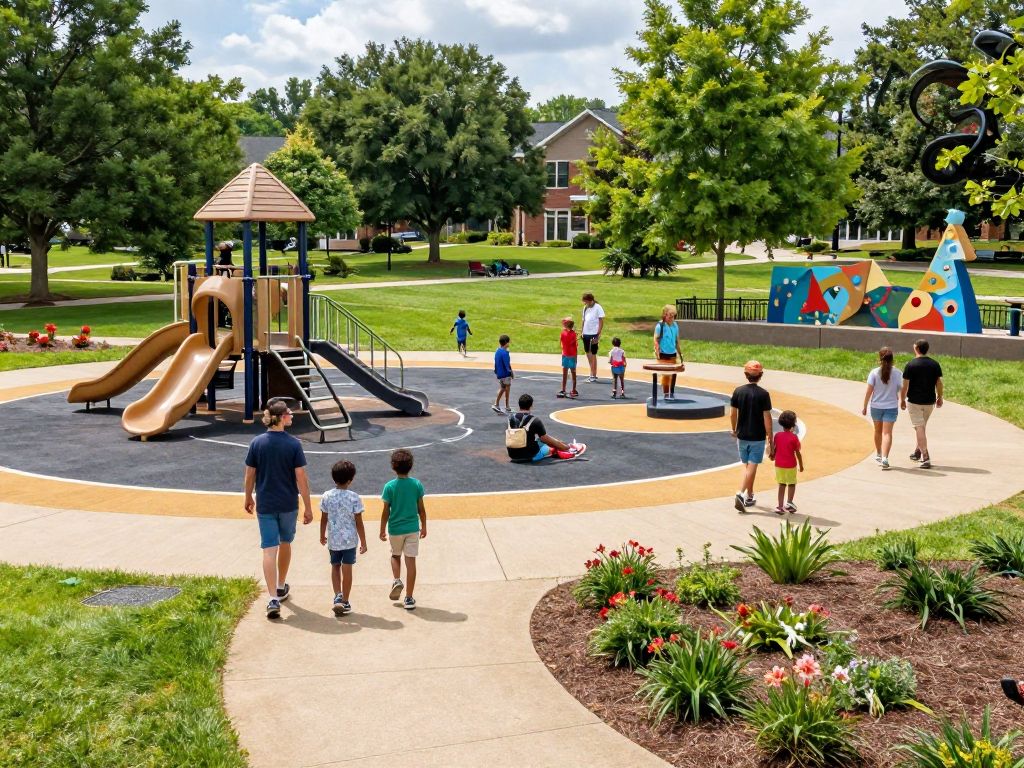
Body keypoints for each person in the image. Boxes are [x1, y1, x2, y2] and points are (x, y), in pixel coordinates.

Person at [244, 398, 313, 620]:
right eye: (290, 414)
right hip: (288, 504)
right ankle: (281, 585)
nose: (292, 416)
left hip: (266, 503)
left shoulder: (257, 443)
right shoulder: (293, 444)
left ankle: (272, 597)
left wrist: (248, 496)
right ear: (282, 417)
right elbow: (301, 477)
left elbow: (250, 474)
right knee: (285, 542)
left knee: (268, 549)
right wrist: (308, 506)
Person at [379, 449, 427, 610]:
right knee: (411, 561)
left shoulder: (389, 487)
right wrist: (424, 526)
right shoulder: (416, 484)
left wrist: (381, 529)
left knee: (395, 555)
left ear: (393, 466)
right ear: (411, 466)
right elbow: (421, 509)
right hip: (413, 528)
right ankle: (409, 597)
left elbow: (386, 511)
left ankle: (397, 579)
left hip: (395, 529)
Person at [319, 460, 367, 617]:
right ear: (350, 480)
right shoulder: (354, 497)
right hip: (349, 541)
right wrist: (363, 541)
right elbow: (358, 521)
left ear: (334, 478)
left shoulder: (327, 496)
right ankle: (345, 600)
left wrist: (322, 535)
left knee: (335, 567)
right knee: (347, 570)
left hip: (333, 540)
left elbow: (323, 518)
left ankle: (337, 595)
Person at [730, 361, 774, 513]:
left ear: (745, 375)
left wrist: (734, 430)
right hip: (757, 436)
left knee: (748, 466)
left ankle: (750, 496)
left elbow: (732, 413)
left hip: (742, 435)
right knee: (752, 465)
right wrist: (771, 439)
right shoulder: (764, 394)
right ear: (760, 376)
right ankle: (740, 493)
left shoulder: (738, 391)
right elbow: (767, 418)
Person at [900, 339, 943, 470]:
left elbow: (904, 385)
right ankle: (917, 452)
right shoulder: (934, 364)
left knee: (919, 428)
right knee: (921, 428)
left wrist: (901, 399)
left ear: (916, 348)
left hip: (914, 402)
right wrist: (940, 397)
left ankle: (925, 457)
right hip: (929, 402)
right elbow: (939, 383)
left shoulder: (910, 365)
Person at [506, 393, 586, 462]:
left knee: (539, 440)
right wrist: (565, 447)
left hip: (512, 454)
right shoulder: (534, 420)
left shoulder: (511, 418)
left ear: (519, 404)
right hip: (529, 456)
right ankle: (567, 450)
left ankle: (561, 446)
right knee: (548, 446)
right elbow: (546, 439)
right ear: (531, 405)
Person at [862, 346, 903, 470]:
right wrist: (902, 401)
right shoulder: (898, 373)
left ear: (879, 358)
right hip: (891, 406)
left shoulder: (874, 372)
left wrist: (864, 406)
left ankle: (879, 453)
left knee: (877, 431)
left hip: (876, 406)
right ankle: (885, 457)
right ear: (892, 359)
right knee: (887, 433)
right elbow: (902, 389)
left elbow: (869, 391)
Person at [772, 410, 803, 515]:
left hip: (779, 464)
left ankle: (780, 506)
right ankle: (789, 503)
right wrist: (801, 465)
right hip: (791, 465)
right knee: (791, 484)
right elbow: (798, 452)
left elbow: (775, 449)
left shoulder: (777, 436)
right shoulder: (794, 437)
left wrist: (772, 456)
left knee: (781, 484)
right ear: (793, 424)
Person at [653, 304, 682, 400]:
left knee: (673, 374)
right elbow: (656, 339)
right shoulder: (660, 326)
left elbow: (677, 340)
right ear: (665, 314)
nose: (672, 318)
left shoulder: (675, 325)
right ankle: (666, 394)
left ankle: (672, 393)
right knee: (666, 375)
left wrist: (680, 354)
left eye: (673, 316)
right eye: (670, 315)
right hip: (663, 354)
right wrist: (657, 351)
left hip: (672, 353)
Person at [580, 292, 605, 382]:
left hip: (594, 333)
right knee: (588, 353)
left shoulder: (598, 307)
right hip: (586, 333)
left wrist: (598, 333)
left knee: (593, 353)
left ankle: (594, 374)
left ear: (590, 300)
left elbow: (601, 320)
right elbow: (583, 320)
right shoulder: (585, 308)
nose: (584, 303)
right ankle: (591, 372)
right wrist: (581, 331)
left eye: (585, 301)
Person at [558, 317, 579, 399]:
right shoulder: (573, 334)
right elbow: (575, 346)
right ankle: (573, 390)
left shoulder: (564, 333)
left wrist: (563, 350)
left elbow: (561, 343)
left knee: (565, 373)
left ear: (567, 324)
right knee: (573, 373)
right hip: (571, 355)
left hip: (566, 355)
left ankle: (564, 389)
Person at [492, 334, 513, 414]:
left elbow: (496, 362)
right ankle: (507, 405)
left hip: (500, 374)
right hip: (505, 374)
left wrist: (496, 370)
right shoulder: (505, 353)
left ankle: (496, 403)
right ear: (506, 343)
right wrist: (510, 372)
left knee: (502, 388)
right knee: (507, 389)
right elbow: (507, 364)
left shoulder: (497, 351)